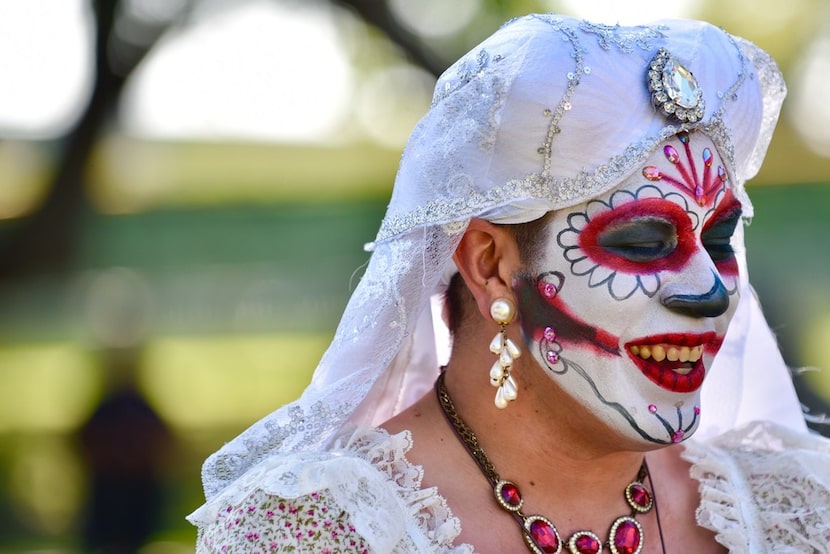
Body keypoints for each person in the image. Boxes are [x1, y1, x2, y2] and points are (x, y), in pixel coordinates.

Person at [188, 13, 830, 553]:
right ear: (490, 263)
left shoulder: (795, 514)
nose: (711, 290)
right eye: (641, 243)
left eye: (718, 241)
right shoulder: (312, 532)